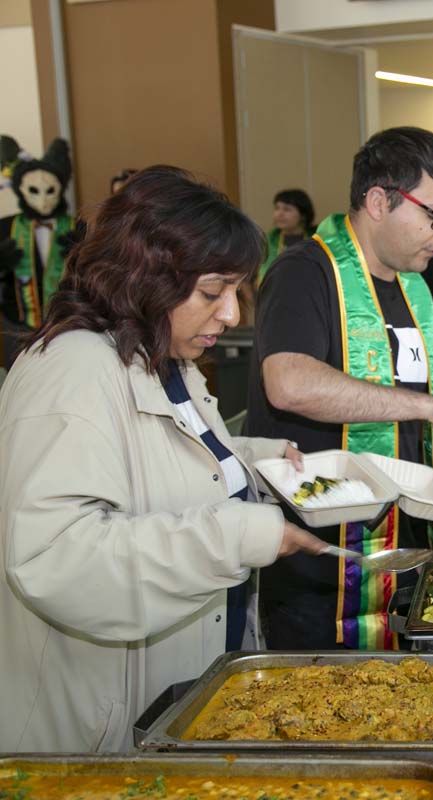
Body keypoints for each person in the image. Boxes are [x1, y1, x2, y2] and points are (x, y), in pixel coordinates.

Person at [0, 166, 327, 753]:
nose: (231, 315)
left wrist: (253, 460)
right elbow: (54, 558)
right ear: (145, 275)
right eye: (212, 292)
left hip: (179, 699)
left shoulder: (161, 357)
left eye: (237, 292)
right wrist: (235, 538)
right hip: (105, 730)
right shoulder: (71, 370)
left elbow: (158, 461)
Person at [245, 127, 433, 650]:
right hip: (316, 565)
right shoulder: (305, 272)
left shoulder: (415, 288)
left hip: (399, 561)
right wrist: (430, 406)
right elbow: (289, 383)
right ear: (379, 201)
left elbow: (410, 423)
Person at [0, 136, 75, 328]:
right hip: (18, 320)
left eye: (50, 191)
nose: (43, 200)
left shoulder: (77, 227)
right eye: (34, 191)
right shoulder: (6, 227)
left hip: (68, 323)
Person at [257, 188, 315, 286]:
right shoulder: (266, 241)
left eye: (287, 209)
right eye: (277, 208)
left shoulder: (316, 241)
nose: (280, 214)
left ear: (303, 215)